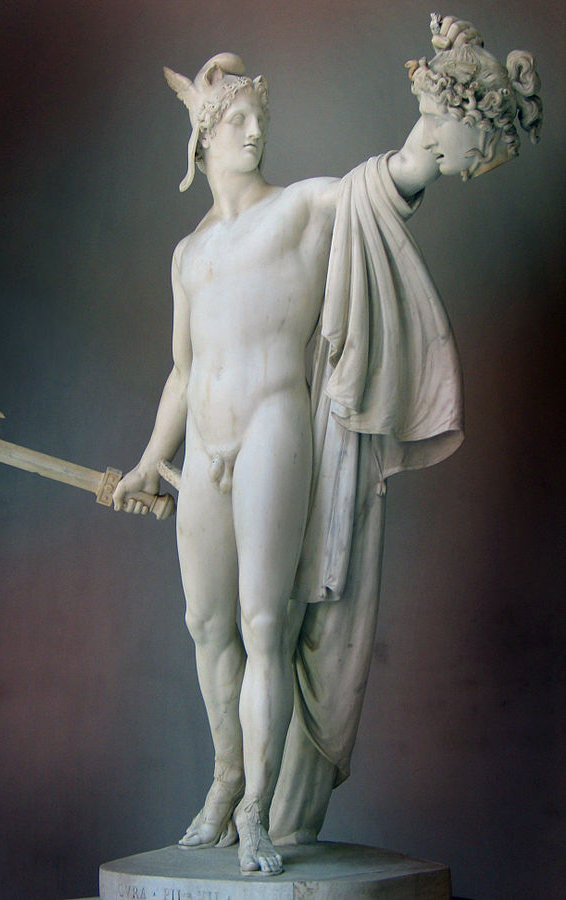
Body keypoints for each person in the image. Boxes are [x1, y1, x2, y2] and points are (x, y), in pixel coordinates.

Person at [113, 15, 541, 877]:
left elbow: (398, 175)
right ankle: (225, 781)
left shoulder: (306, 207)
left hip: (272, 429)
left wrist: (447, 100)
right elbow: (180, 370)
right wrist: (147, 459)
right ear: (203, 135)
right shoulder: (188, 254)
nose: (253, 130)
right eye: (236, 119)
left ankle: (258, 815)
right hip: (204, 444)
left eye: (258, 116)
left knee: (263, 624)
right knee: (207, 626)